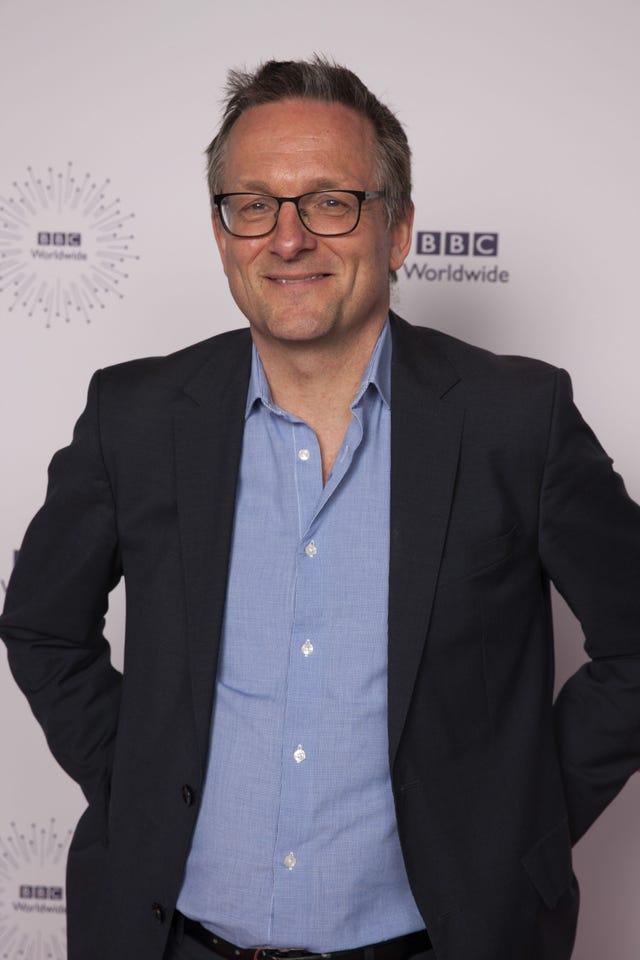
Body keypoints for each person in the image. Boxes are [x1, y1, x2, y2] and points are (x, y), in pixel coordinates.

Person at [2, 57, 640, 960]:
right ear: (223, 234)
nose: (288, 239)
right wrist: (133, 779)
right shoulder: (135, 417)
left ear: (399, 229)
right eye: (253, 204)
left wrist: (517, 814)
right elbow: (42, 627)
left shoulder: (514, 422)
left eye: (330, 202)